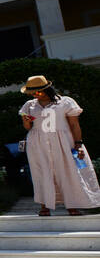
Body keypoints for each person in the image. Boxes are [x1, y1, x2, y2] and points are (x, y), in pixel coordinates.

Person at [19, 75, 100, 216]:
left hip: (63, 141)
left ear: (47, 89)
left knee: (68, 171)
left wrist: (78, 144)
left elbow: (74, 124)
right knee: (41, 172)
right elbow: (27, 127)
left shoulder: (65, 102)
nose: (35, 95)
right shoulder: (29, 105)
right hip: (37, 143)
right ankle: (44, 206)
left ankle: (72, 206)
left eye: (37, 92)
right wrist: (26, 121)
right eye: (32, 93)